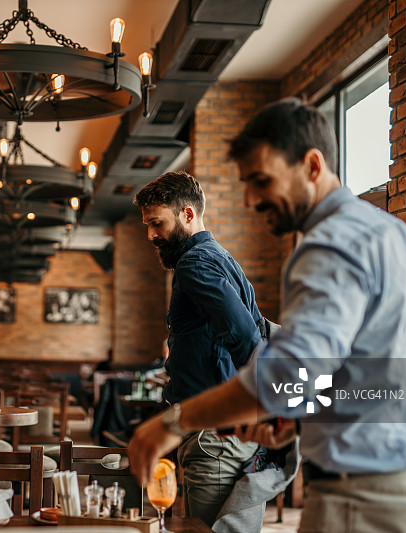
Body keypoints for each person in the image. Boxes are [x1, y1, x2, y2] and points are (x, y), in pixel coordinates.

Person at [128, 98, 406, 533]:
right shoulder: (393, 233)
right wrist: (296, 415)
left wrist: (173, 421)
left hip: (365, 503)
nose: (250, 199)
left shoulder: (328, 246)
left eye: (261, 181)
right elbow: (379, 375)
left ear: (312, 165)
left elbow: (287, 370)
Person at [132, 171, 267, 527]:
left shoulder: (194, 263)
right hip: (227, 430)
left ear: (188, 214)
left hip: (215, 436)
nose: (151, 235)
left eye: (157, 223)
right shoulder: (220, 255)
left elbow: (244, 337)